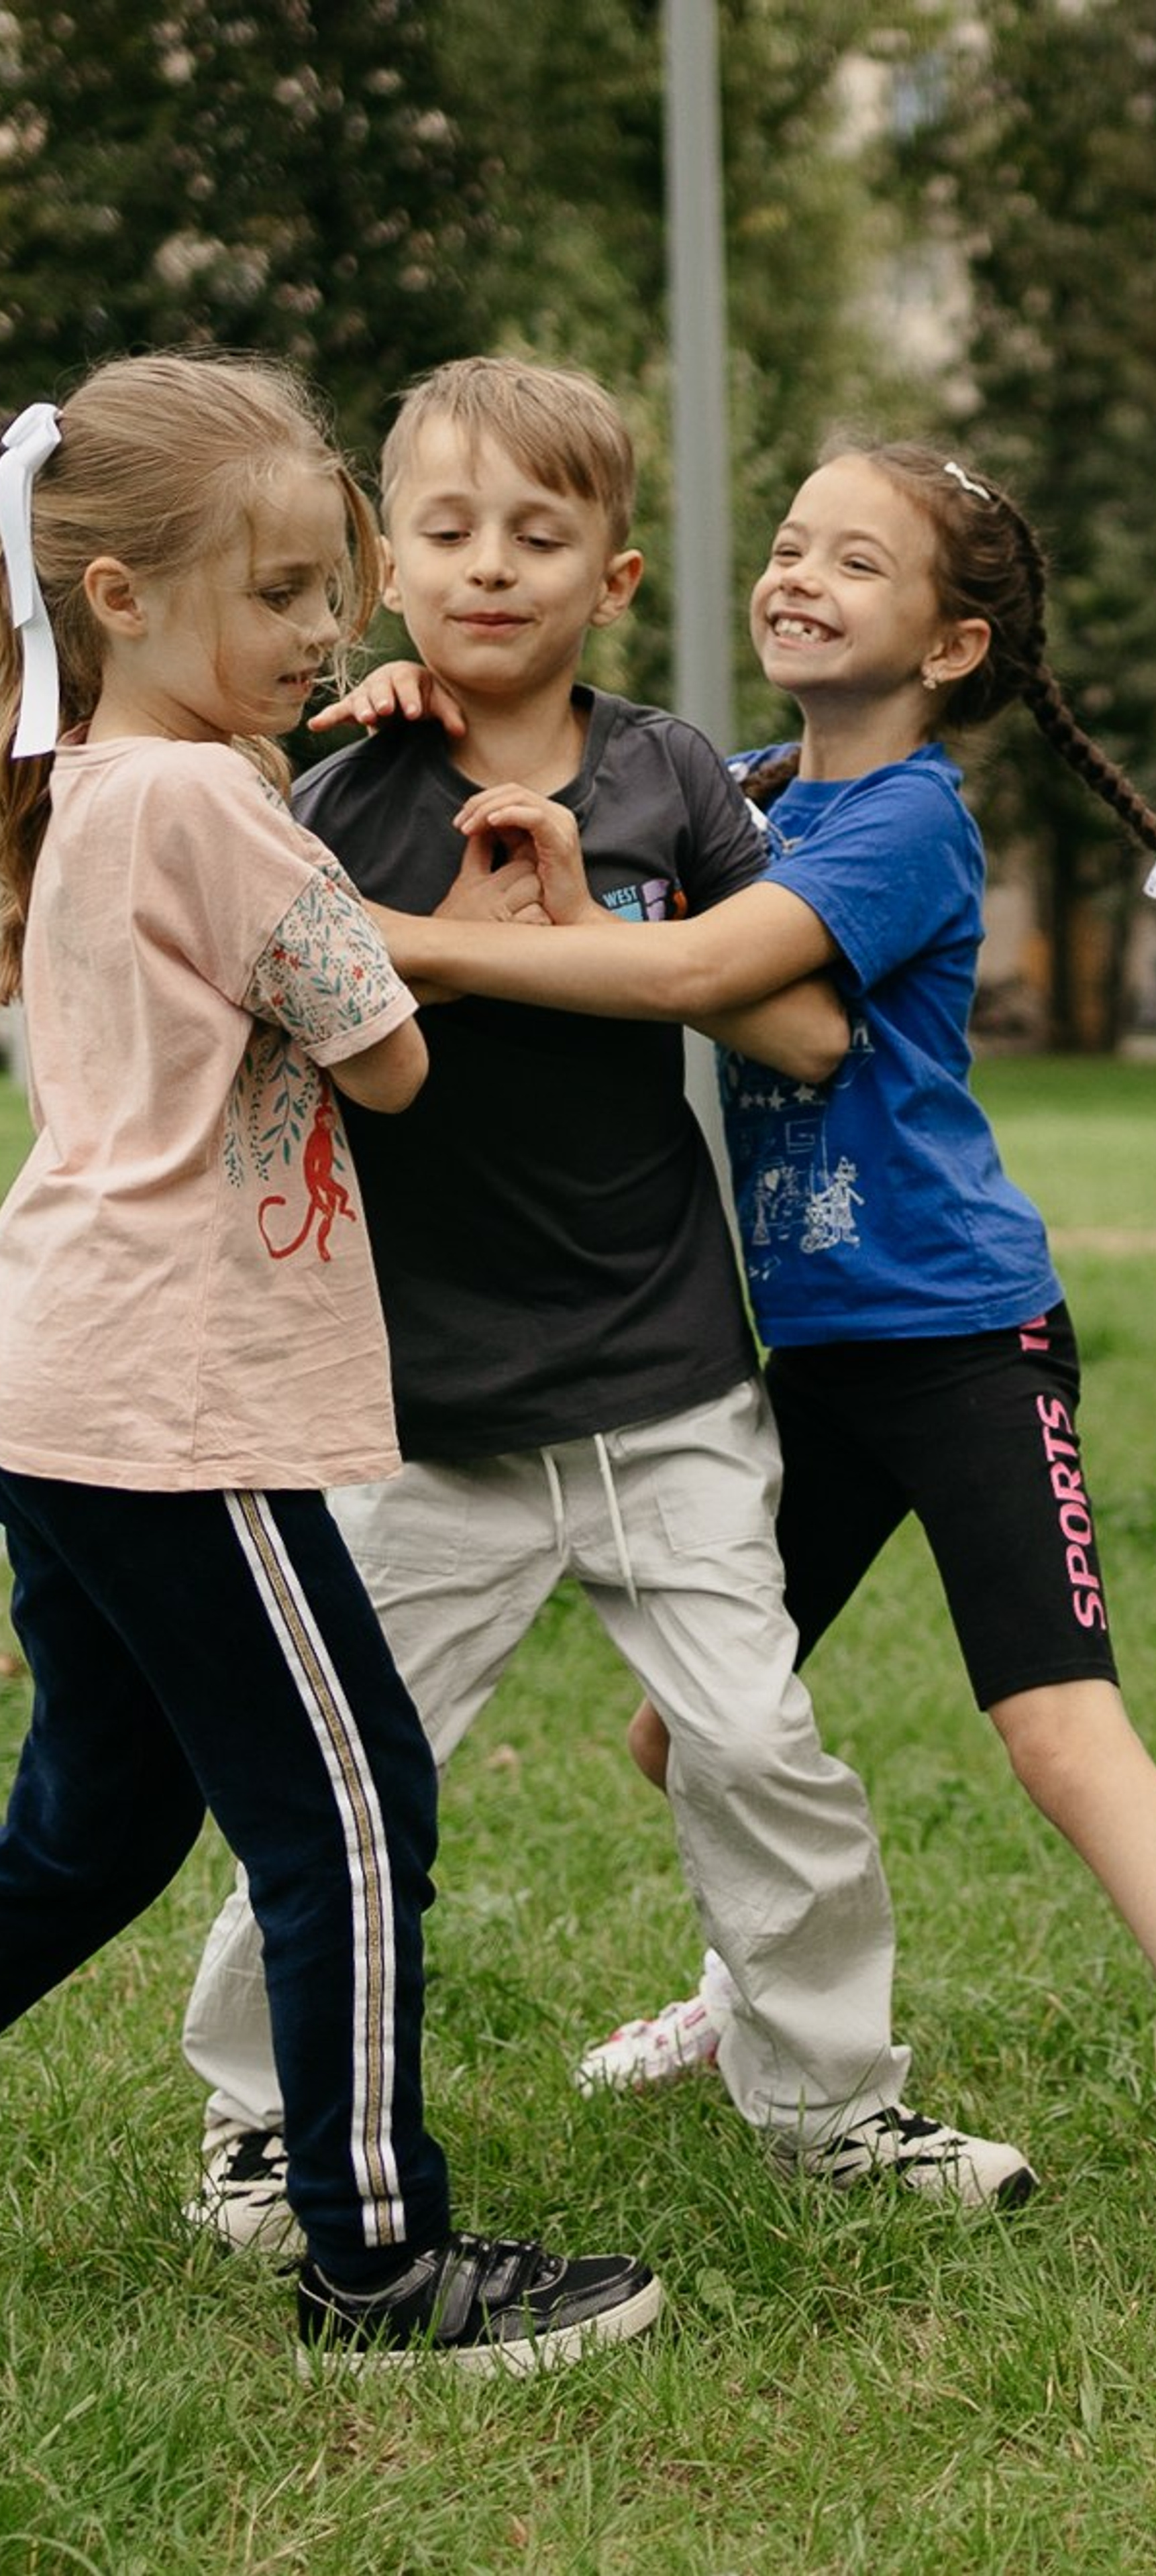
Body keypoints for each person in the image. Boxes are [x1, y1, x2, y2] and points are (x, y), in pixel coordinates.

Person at [358, 438, 1156, 2353]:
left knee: (1062, 1738)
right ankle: (770, 2000)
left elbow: (707, 962)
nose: (797, 578)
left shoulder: (903, 823)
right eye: (787, 546)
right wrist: (409, 701)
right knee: (686, 1744)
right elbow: (605, 819)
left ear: (949, 647)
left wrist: (407, 945)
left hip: (959, 1339)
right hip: (814, 1354)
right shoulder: (748, 785)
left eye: (857, 563)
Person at [180, 359, 1035, 2261]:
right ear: (390, 567)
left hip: (665, 1390)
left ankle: (833, 2106)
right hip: (421, 1417)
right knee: (340, 1788)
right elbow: (278, 1035)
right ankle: (261, 2125)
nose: (495, 569)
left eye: (542, 537)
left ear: (617, 577)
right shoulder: (336, 791)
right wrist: (459, 949)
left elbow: (807, 1025)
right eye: (454, 534)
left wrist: (589, 934)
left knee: (761, 1750)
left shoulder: (670, 779)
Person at [0, 352, 662, 2375]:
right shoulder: (215, 797)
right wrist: (422, 919)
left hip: (60, 1386)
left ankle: (366, 2240)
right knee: (354, 1806)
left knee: (94, 1828)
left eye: (327, 591)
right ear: (117, 594)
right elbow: (389, 1057)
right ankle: (378, 2262)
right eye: (282, 591)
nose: (323, 632)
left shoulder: (87, 789)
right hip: (184, 1399)